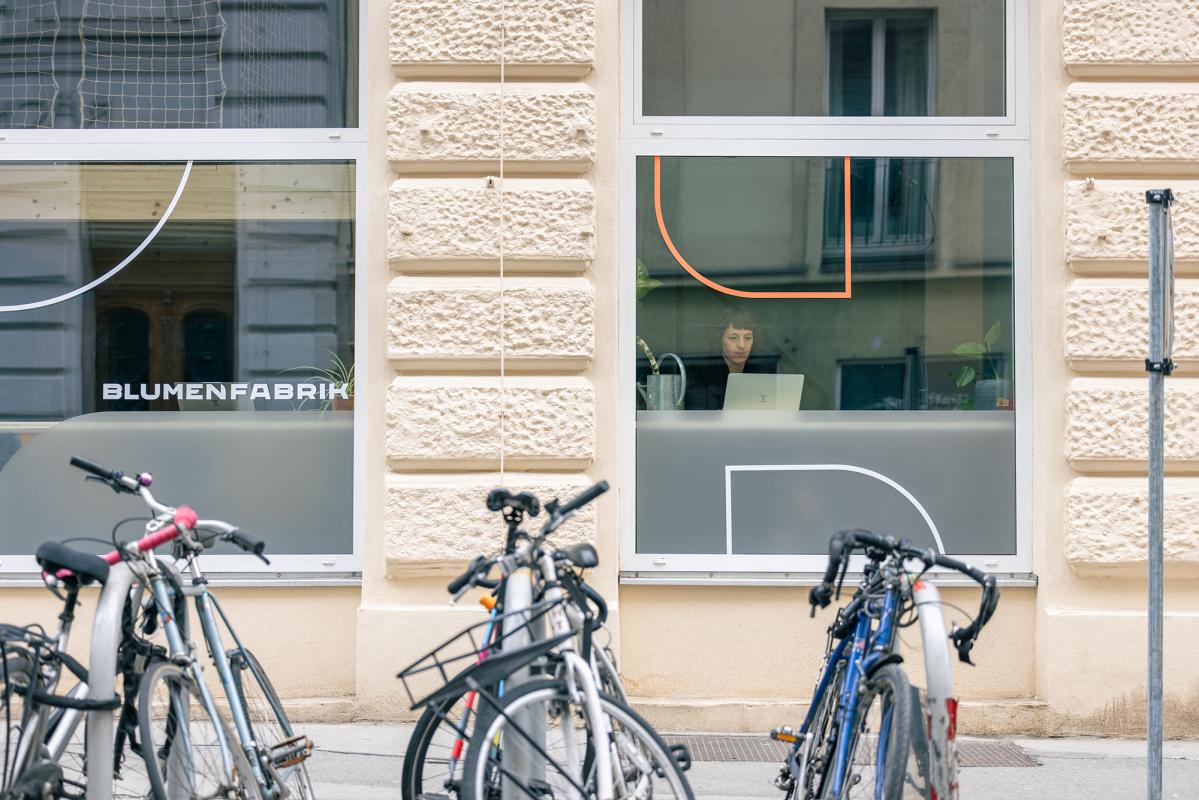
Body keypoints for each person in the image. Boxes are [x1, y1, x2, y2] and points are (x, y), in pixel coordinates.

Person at [684, 307, 769, 410]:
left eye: (747, 338)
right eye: (733, 338)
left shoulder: (763, 372)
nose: (742, 345)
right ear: (719, 339)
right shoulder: (700, 373)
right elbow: (696, 414)